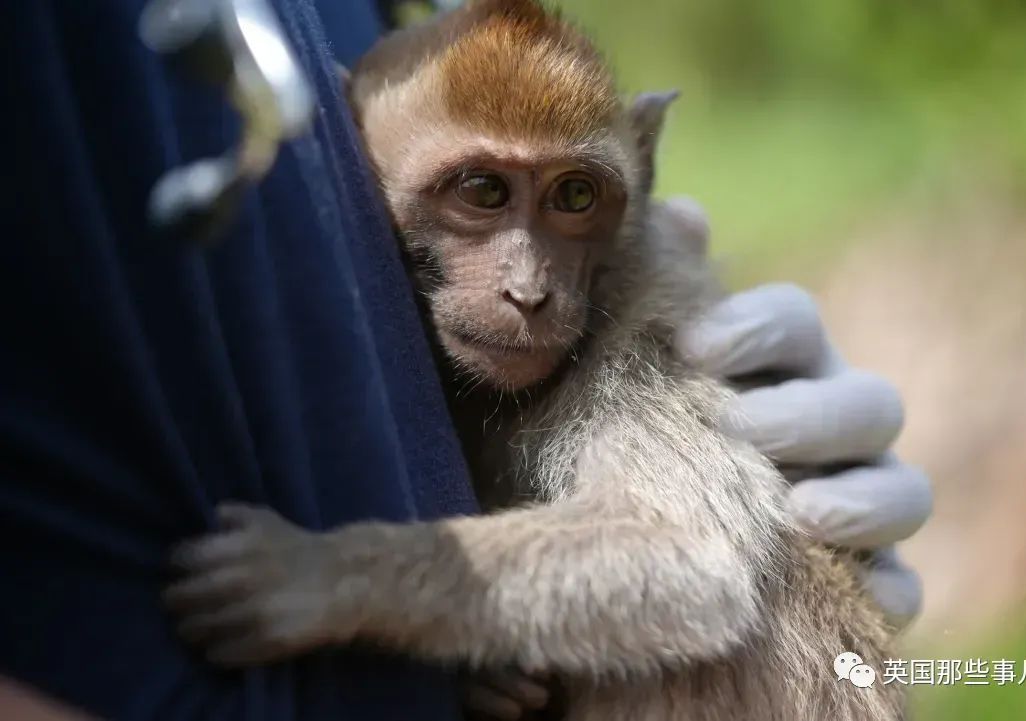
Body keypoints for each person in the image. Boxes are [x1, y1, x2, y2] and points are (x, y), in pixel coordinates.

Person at [0, 0, 930, 719]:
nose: (529, 284)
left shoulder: (635, 295)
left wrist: (358, 579)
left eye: (576, 196)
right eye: (480, 191)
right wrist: (466, 632)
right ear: (351, 143)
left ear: (640, 167)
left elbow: (698, 572)